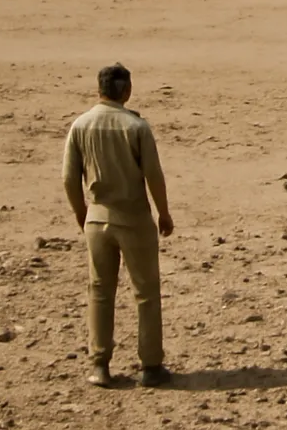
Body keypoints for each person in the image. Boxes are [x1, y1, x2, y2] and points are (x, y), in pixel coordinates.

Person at [62, 63, 174, 388]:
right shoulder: (136, 127)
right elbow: (154, 174)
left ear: (99, 89)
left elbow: (69, 177)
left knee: (99, 291)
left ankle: (100, 364)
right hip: (134, 218)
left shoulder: (80, 125)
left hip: (97, 218)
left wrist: (80, 212)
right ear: (126, 91)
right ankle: (151, 365)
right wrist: (163, 213)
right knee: (146, 293)